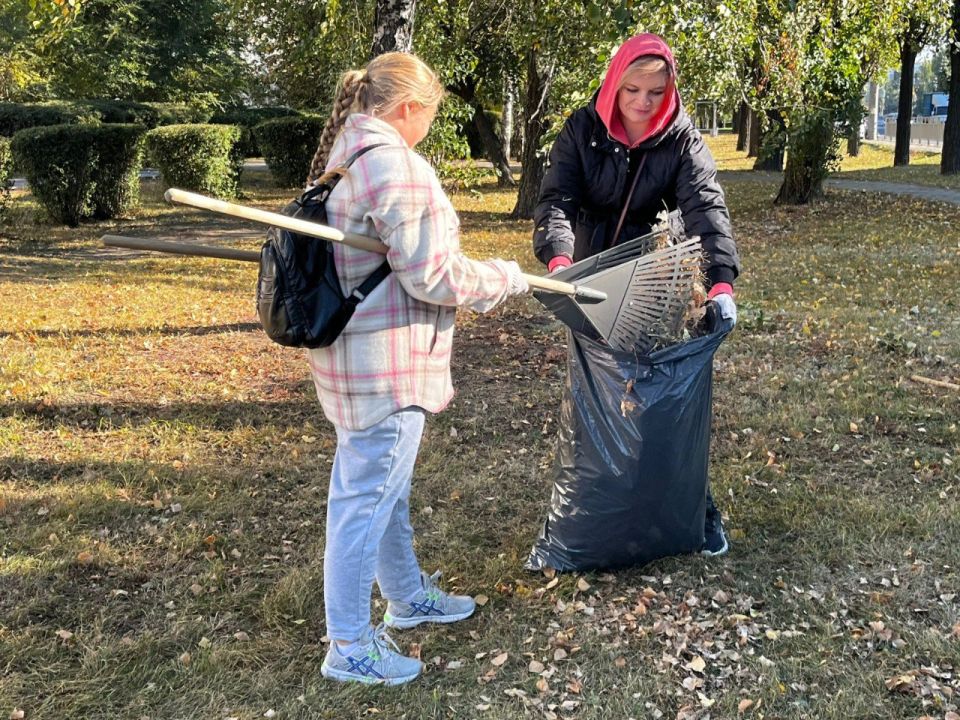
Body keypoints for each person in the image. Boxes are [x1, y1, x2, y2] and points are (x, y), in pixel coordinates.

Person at [304, 52, 529, 685]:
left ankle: (405, 598)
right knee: (363, 500)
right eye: (430, 114)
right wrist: (503, 279)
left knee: (384, 490)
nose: (429, 126)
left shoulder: (348, 153)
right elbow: (434, 274)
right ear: (409, 109)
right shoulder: (391, 163)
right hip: (387, 365)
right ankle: (348, 644)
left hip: (357, 359)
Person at [532, 33, 741, 556]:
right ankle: (595, 513)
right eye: (633, 90)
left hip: (656, 281)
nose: (644, 103)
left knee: (665, 401)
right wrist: (560, 261)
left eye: (656, 91)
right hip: (591, 283)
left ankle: (696, 510)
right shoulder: (583, 130)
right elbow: (556, 198)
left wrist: (720, 282)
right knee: (597, 397)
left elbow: (705, 207)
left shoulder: (680, 138)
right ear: (613, 85)